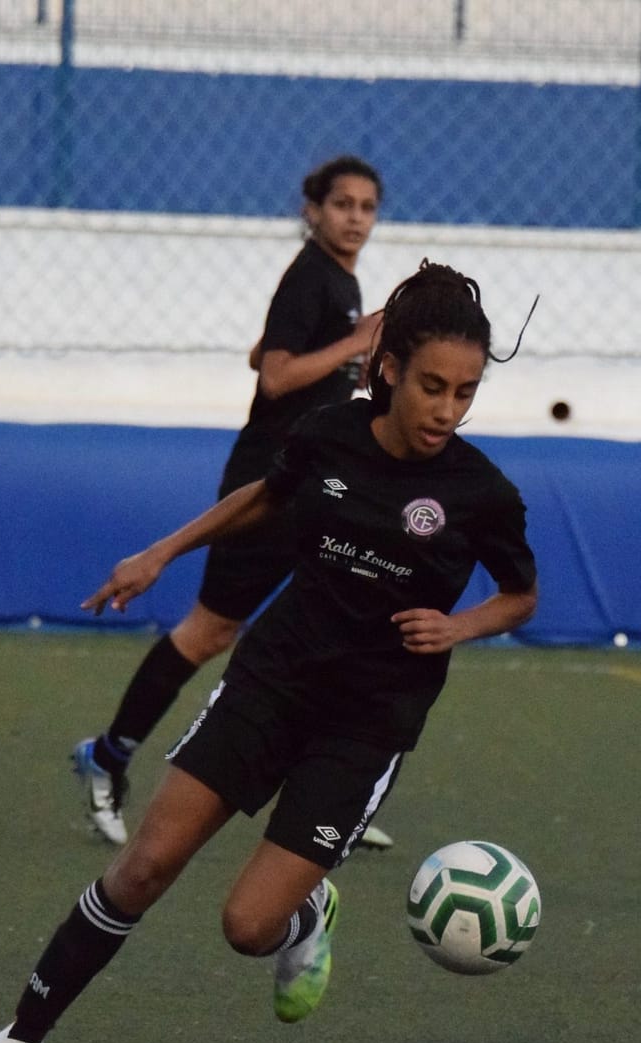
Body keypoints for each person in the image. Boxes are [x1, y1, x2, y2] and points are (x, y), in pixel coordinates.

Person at [0, 262, 540, 1043]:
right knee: (144, 865)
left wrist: (459, 625)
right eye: (432, 386)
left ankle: (305, 918)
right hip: (274, 680)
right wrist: (161, 552)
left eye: (464, 393)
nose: (447, 409)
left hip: (367, 722)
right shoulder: (330, 432)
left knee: (247, 927)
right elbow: (264, 497)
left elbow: (520, 595)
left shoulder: (481, 493)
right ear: (391, 368)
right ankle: (21, 1037)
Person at [70, 155, 398, 850]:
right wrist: (354, 342)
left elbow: (261, 353)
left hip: (317, 483)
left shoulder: (338, 281)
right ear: (312, 210)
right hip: (268, 481)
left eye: (367, 207)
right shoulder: (312, 274)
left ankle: (326, 795)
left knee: (338, 621)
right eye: (342, 204)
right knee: (209, 632)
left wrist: (348, 358)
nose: (355, 218)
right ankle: (107, 755)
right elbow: (275, 378)